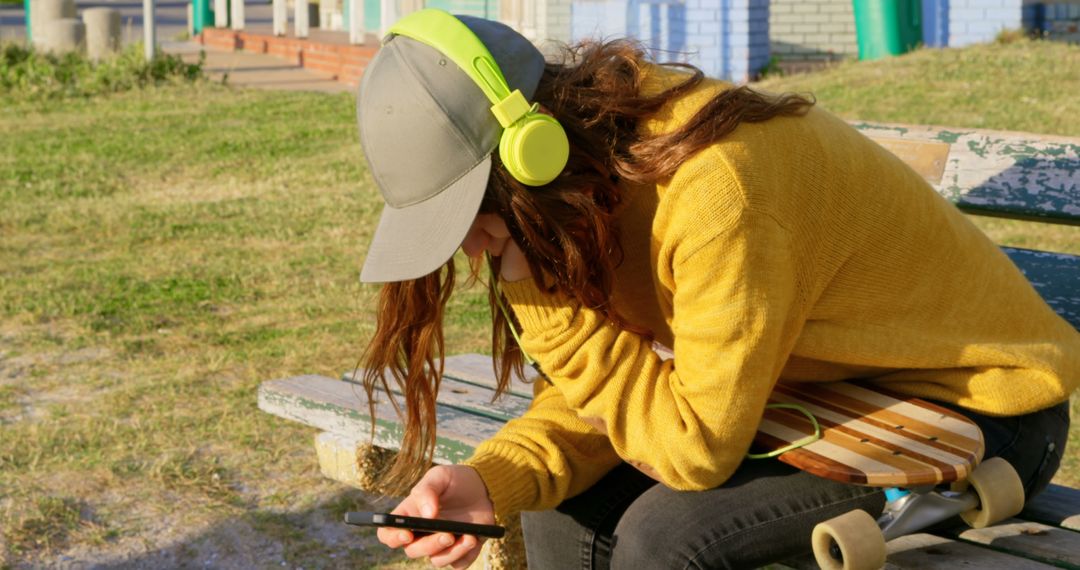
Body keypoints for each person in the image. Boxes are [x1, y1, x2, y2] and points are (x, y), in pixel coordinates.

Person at [353, 8, 1077, 570]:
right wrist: (495, 479)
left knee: (664, 540)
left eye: (472, 217)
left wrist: (542, 306)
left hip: (976, 411)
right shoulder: (582, 180)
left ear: (532, 154)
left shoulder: (714, 189)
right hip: (809, 396)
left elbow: (694, 448)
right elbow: (618, 393)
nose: (473, 248)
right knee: (559, 509)